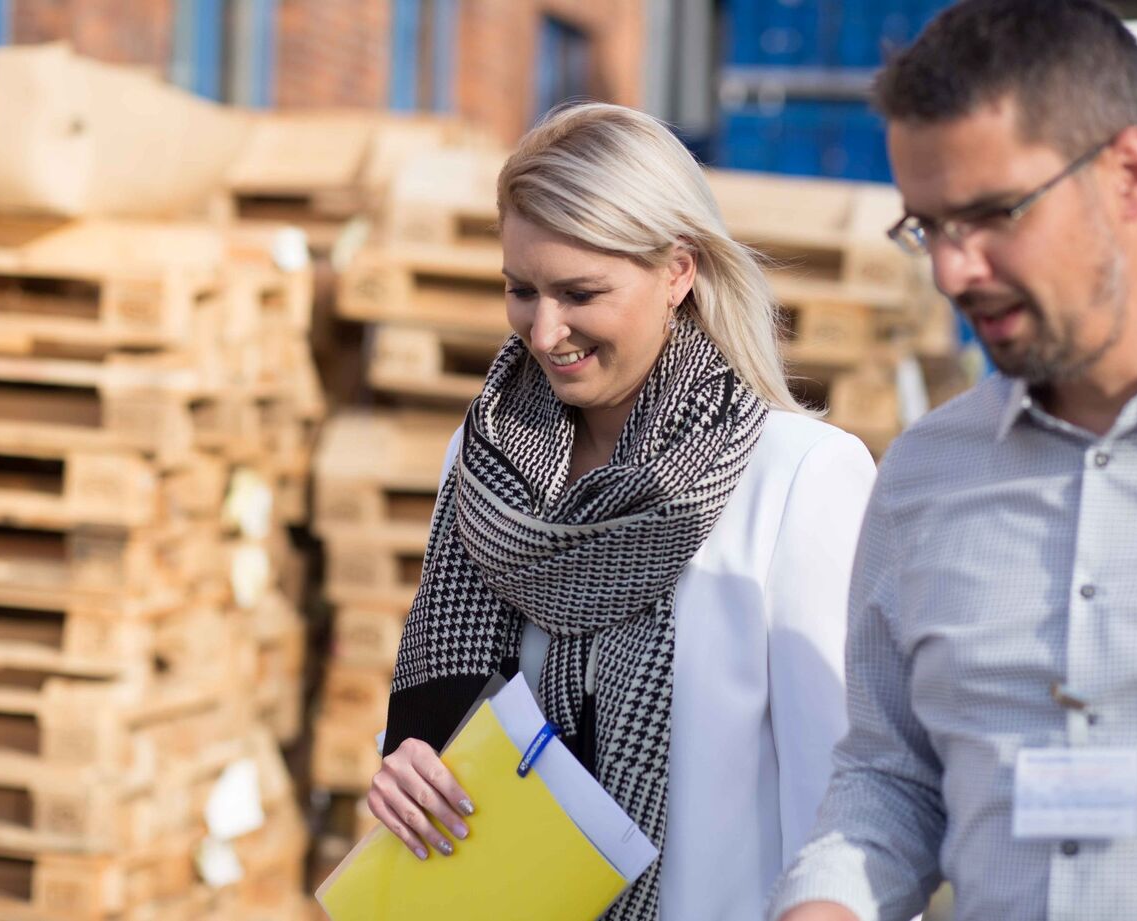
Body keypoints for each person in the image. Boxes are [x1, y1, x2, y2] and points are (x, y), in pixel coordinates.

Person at [770, 2, 1137, 921]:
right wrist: (827, 903)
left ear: (1128, 174)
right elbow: (892, 777)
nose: (953, 272)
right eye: (927, 227)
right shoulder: (923, 474)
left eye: (992, 214)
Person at [365, 102, 876, 921]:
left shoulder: (800, 478)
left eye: (580, 292)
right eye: (520, 290)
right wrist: (407, 776)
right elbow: (446, 738)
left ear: (678, 271)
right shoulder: (483, 459)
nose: (544, 329)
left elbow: (853, 806)